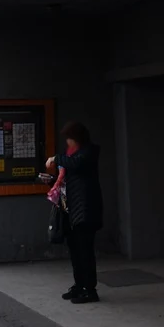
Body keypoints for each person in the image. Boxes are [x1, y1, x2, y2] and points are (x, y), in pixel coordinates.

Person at [46, 121, 103, 305]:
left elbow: (76, 164)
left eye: (69, 138)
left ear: (77, 138)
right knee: (75, 251)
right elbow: (68, 177)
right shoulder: (70, 155)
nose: (67, 142)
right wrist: (51, 180)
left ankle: (90, 290)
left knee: (85, 251)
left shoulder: (88, 152)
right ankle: (79, 285)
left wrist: (56, 158)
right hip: (69, 210)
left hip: (85, 210)